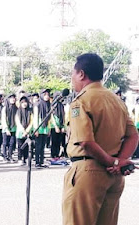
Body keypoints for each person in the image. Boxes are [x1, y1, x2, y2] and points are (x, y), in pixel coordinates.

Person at [62, 53, 138, 225]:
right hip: (114, 176)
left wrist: (112, 161)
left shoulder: (80, 102)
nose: (72, 79)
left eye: (72, 74)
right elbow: (133, 135)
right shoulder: (117, 101)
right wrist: (120, 161)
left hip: (89, 171)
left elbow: (85, 142)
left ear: (81, 74)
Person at [33, 89, 51, 168]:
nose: (47, 96)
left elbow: (49, 118)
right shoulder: (38, 104)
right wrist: (36, 129)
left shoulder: (48, 104)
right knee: (38, 146)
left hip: (45, 128)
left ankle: (41, 162)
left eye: (48, 95)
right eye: (45, 95)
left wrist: (49, 129)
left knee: (43, 146)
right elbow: (35, 117)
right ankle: (37, 162)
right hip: (39, 128)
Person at [15, 96, 33, 166]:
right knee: (20, 146)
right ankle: (20, 159)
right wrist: (23, 130)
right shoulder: (18, 111)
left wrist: (27, 130)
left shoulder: (30, 111)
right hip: (20, 132)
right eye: (22, 102)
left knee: (27, 146)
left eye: (25, 102)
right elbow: (18, 122)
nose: (24, 104)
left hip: (28, 132)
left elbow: (32, 122)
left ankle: (26, 158)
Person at [1, 94, 18, 163]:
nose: (13, 99)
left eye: (14, 98)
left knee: (12, 143)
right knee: (5, 143)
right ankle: (4, 156)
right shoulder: (5, 108)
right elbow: (3, 119)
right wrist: (6, 128)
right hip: (6, 128)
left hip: (14, 128)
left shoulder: (16, 108)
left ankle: (10, 156)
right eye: (11, 98)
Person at [50, 91, 66, 160]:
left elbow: (63, 116)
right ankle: (53, 155)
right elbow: (51, 116)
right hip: (54, 126)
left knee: (59, 141)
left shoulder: (61, 105)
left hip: (60, 125)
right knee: (54, 141)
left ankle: (57, 154)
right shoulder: (53, 105)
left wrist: (63, 126)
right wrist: (56, 126)